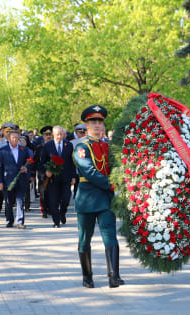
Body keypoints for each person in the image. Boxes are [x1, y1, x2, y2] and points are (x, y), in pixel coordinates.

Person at [73, 105, 124, 289]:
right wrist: (110, 183)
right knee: (85, 238)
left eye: (99, 121)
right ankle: (87, 276)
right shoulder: (81, 146)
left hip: (105, 199)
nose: (97, 124)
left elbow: (118, 166)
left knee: (110, 236)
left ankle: (114, 276)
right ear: (86, 124)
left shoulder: (109, 146)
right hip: (87, 199)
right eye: (93, 121)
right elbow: (88, 170)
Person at [40, 126, 76, 227]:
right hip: (52, 178)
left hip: (66, 177)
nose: (59, 136)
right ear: (53, 135)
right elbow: (42, 162)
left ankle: (62, 213)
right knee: (53, 201)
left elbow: (71, 162)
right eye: (57, 134)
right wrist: (46, 171)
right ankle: (56, 221)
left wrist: (73, 176)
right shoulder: (48, 146)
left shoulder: (68, 145)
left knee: (66, 198)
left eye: (61, 134)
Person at [0, 129, 32, 229]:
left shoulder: (23, 150)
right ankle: (9, 220)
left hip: (21, 180)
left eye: (17, 138)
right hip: (8, 180)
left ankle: (20, 221)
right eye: (13, 138)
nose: (15, 139)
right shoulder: (2, 150)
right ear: (9, 138)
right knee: (8, 201)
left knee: (20, 200)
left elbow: (29, 163)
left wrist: (26, 169)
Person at [35, 126, 53, 218]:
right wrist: (32, 174)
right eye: (46, 135)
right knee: (43, 192)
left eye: (50, 134)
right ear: (43, 136)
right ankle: (44, 210)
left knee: (53, 192)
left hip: (54, 173)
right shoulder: (39, 147)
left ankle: (51, 209)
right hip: (42, 173)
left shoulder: (55, 145)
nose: (48, 136)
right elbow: (36, 161)